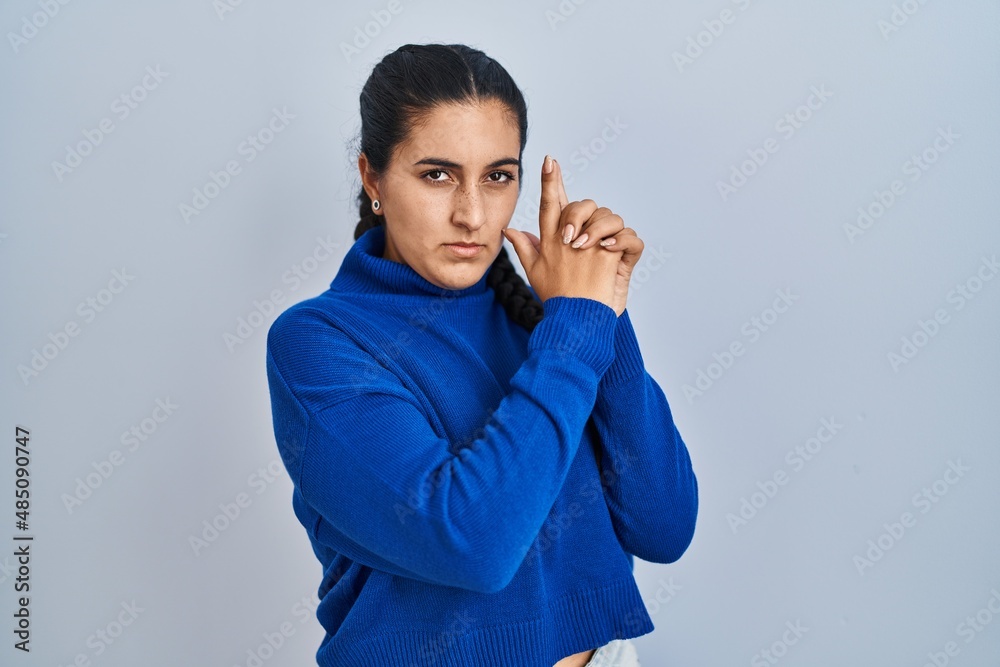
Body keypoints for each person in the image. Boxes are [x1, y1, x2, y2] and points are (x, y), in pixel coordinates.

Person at [264, 42, 698, 667]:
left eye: (497, 176)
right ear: (373, 178)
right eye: (436, 174)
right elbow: (474, 543)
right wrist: (578, 323)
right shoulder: (320, 341)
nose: (471, 215)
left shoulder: (549, 323)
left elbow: (664, 527)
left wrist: (608, 314)